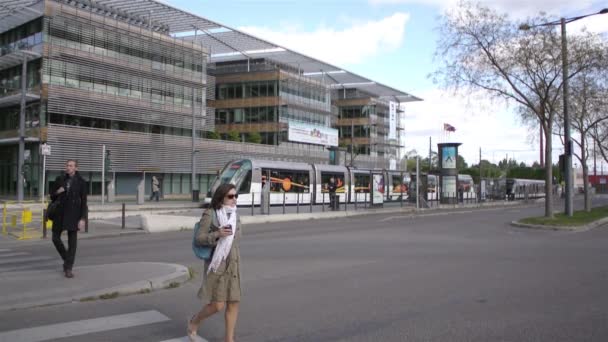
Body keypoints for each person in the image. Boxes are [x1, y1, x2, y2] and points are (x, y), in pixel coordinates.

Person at [188, 183, 242, 342]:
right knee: (217, 305)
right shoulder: (210, 214)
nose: (234, 199)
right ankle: (195, 320)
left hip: (233, 263)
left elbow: (237, 239)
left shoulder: (235, 215)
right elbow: (199, 239)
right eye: (230, 196)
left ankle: (229, 339)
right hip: (218, 265)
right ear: (221, 198)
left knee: (233, 303)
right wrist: (217, 234)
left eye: (236, 196)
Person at [50, 159, 87, 279]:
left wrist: (82, 218)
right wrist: (57, 192)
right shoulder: (60, 179)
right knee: (55, 238)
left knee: (73, 243)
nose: (68, 167)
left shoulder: (81, 182)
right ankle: (67, 259)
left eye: (71, 166)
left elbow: (84, 203)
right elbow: (51, 196)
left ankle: (68, 268)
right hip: (60, 214)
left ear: (76, 168)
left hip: (73, 215)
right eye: (67, 165)